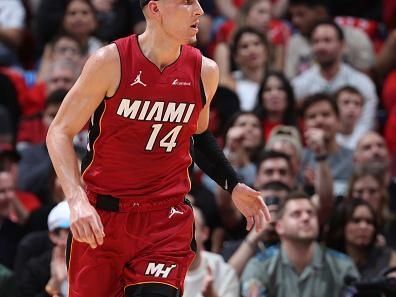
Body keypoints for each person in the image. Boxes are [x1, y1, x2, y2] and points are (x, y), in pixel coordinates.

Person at [46, 1, 270, 296]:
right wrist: (75, 199)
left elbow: (198, 136)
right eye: (187, 2)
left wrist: (233, 184)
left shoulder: (205, 71)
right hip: (103, 217)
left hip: (164, 221)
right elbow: (60, 131)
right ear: (155, 8)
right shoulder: (110, 61)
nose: (200, 10)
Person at [241, 192, 360, 297]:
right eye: (296, 214)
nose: (306, 218)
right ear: (279, 226)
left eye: (311, 213)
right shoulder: (260, 267)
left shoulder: (342, 266)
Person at [183, 206, 240, 297]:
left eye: (189, 227)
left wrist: (211, 295)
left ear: (205, 233)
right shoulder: (159, 270)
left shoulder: (223, 271)